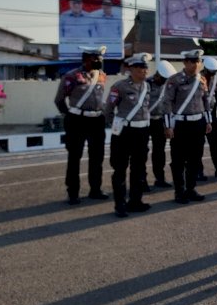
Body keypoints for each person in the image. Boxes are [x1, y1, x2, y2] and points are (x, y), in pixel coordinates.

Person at [54, 45, 109, 205]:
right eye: (95, 58)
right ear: (86, 60)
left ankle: (95, 190)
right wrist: (70, 115)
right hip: (77, 121)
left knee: (97, 157)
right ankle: (73, 193)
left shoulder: (102, 76)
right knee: (74, 158)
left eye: (100, 58)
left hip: (97, 120)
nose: (99, 61)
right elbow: (59, 100)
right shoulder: (72, 76)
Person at [104, 53, 152, 218]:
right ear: (131, 69)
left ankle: (135, 202)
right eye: (140, 67)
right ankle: (120, 205)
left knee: (139, 168)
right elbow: (108, 110)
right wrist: (116, 125)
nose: (144, 71)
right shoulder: (120, 87)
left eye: (145, 67)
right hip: (124, 132)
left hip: (142, 132)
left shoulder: (148, 87)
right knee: (120, 168)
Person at [163, 49, 211, 203]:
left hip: (198, 123)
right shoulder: (174, 80)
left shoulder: (202, 80)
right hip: (180, 124)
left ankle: (191, 189)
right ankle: (179, 191)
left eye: (198, 61)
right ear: (185, 62)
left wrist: (208, 121)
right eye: (192, 62)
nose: (196, 65)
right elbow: (167, 103)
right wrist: (168, 126)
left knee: (195, 159)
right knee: (178, 160)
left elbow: (206, 101)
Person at [146, 60, 177, 188]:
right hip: (145, 120)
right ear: (157, 74)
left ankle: (160, 178)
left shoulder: (168, 85)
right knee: (141, 152)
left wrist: (168, 126)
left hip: (160, 121)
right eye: (163, 78)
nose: (164, 81)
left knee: (159, 151)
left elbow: (169, 106)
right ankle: (141, 181)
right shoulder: (146, 83)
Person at [198, 56, 217, 180]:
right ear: (206, 70)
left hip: (212, 114)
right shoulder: (197, 78)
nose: (213, 74)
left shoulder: (215, 78)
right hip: (199, 115)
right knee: (198, 145)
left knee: (216, 144)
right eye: (212, 72)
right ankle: (198, 171)